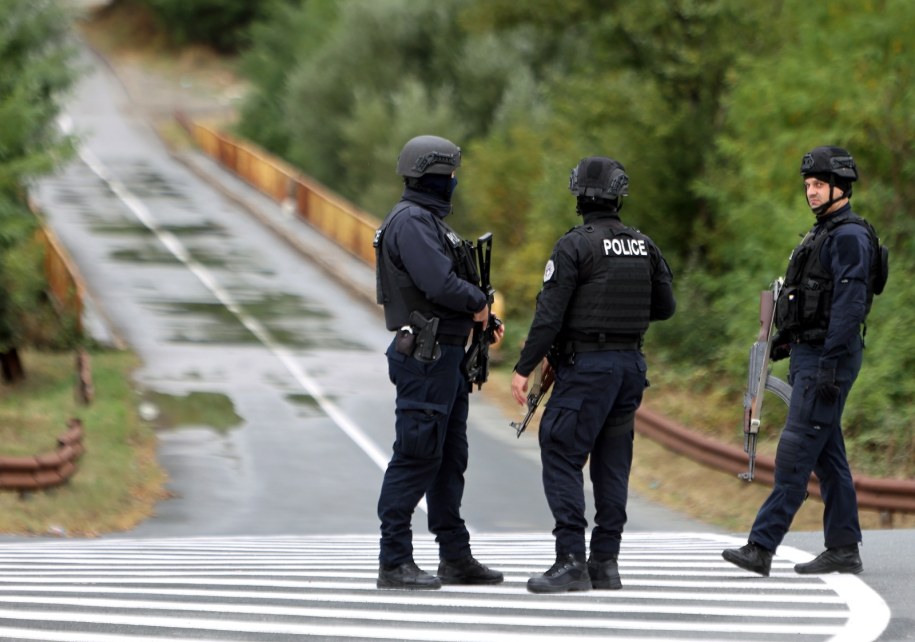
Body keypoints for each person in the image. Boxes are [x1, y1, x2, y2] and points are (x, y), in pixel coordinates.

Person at [511, 156, 676, 593]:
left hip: (588, 369)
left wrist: (524, 367)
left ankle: (570, 561)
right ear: (618, 196)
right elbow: (666, 307)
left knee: (561, 448)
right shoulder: (644, 244)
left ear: (580, 196)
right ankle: (606, 563)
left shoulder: (574, 246)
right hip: (629, 368)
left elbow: (548, 317)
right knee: (612, 462)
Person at [723, 146, 887, 577]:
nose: (811, 193)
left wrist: (830, 365)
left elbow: (849, 307)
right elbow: (812, 300)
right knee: (827, 456)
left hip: (826, 360)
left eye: (818, 185)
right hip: (810, 354)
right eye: (807, 186)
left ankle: (761, 546)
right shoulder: (822, 232)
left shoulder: (849, 235)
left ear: (840, 187)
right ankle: (844, 548)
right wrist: (784, 341)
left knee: (795, 452)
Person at [374, 135, 504, 590]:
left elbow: (452, 287)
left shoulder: (429, 222)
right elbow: (439, 284)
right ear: (433, 175)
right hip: (426, 358)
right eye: (450, 175)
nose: (454, 182)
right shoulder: (411, 222)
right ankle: (394, 560)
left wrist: (485, 318)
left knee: (449, 459)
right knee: (416, 455)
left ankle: (454, 555)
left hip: (446, 356)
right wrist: (477, 303)